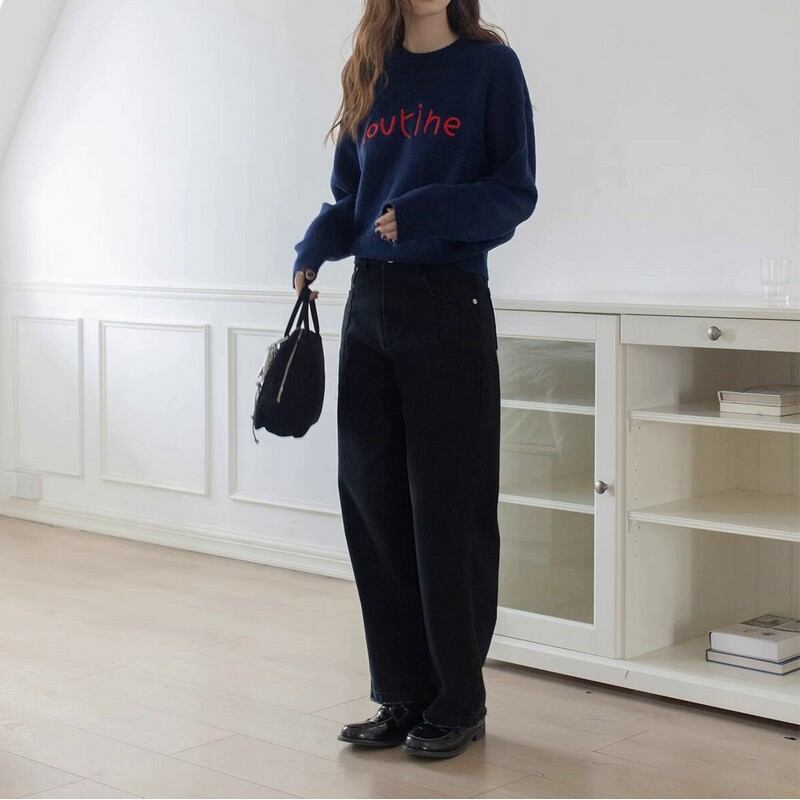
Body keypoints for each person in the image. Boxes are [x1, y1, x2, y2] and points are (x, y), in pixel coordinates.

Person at [292, 0, 537, 759]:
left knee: (448, 512)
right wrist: (315, 246)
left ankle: (459, 699)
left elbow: (514, 191)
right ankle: (401, 693)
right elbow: (353, 197)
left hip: (448, 302)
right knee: (374, 507)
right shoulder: (371, 69)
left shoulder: (490, 68)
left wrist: (427, 212)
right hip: (369, 303)